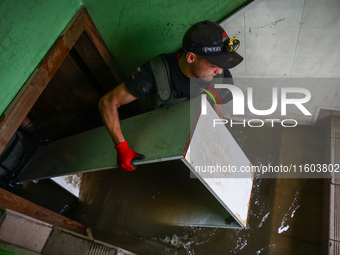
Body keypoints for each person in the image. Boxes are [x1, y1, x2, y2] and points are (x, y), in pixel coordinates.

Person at [98, 20, 243, 171]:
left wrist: (217, 126)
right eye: (214, 65)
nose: (220, 71)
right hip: (157, 132)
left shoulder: (221, 75)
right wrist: (121, 146)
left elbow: (216, 101)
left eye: (222, 64)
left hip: (188, 130)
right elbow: (107, 102)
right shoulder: (156, 72)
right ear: (191, 58)